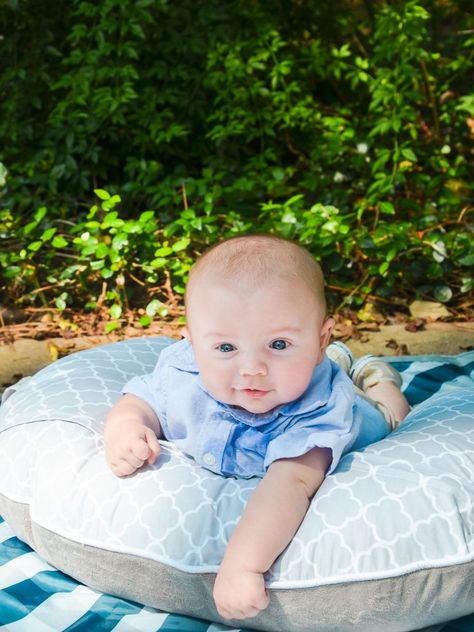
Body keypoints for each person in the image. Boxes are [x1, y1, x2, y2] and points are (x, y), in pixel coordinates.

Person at [104, 234, 410, 621]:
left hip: (364, 414)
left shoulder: (319, 410)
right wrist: (127, 426)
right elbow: (141, 398)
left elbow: (291, 483)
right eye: (226, 348)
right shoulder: (184, 370)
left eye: (278, 344)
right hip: (307, 364)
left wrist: (243, 566)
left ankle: (375, 375)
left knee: (393, 414)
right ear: (193, 343)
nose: (252, 368)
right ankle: (332, 357)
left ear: (319, 338)